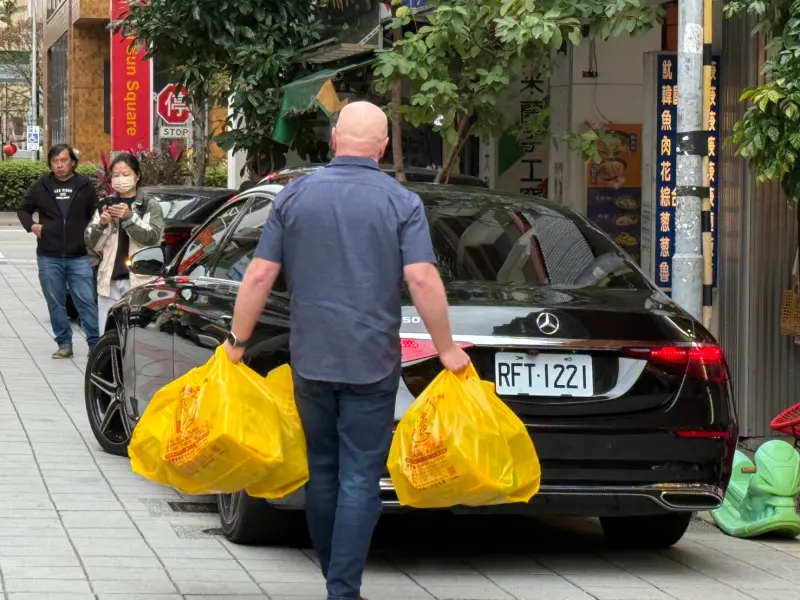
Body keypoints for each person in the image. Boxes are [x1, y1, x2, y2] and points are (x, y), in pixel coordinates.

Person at [223, 101, 470, 600]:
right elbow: (421, 278)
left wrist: (237, 343)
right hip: (371, 361)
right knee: (360, 474)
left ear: (335, 138)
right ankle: (343, 589)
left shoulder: (295, 197)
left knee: (324, 469)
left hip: (310, 357)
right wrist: (446, 350)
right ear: (381, 147)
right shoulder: (402, 202)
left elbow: (260, 275)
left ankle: (334, 576)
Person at [17, 144, 100, 359]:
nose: (60, 165)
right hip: (48, 255)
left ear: (72, 162)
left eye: (64, 160)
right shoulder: (41, 185)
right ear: (50, 163)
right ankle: (64, 343)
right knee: (55, 302)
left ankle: (95, 345)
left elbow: (97, 214)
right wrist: (33, 226)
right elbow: (23, 210)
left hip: (79, 255)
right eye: (55, 161)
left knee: (86, 301)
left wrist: (92, 234)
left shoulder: (84, 185)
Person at [85, 153, 164, 334]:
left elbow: (151, 237)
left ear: (137, 176)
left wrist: (129, 217)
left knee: (134, 334)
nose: (120, 179)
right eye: (116, 175)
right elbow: (91, 242)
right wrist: (102, 224)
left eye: (126, 174)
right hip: (109, 280)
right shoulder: (106, 204)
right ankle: (110, 362)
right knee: (108, 333)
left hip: (138, 281)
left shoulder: (149, 205)